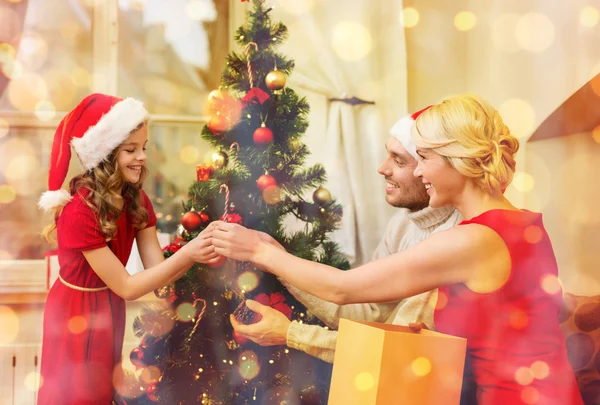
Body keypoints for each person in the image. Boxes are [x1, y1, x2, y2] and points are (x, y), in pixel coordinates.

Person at [212, 94, 584, 404]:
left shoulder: (470, 240)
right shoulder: (522, 222)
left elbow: (343, 288)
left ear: (459, 159)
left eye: (424, 158)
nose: (418, 173)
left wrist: (262, 254)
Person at [229, 108, 463, 365]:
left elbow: (396, 348)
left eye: (398, 160)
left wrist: (291, 333)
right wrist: (279, 262)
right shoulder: (402, 224)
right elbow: (370, 313)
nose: (381, 168)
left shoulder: (453, 240)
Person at [37, 94, 219, 404]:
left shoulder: (137, 200)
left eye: (144, 147)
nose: (142, 157)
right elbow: (126, 287)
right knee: (76, 395)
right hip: (75, 314)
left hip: (107, 308)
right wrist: (190, 253)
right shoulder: (80, 211)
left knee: (103, 392)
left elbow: (156, 269)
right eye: (130, 150)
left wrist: (198, 248)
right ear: (105, 155)